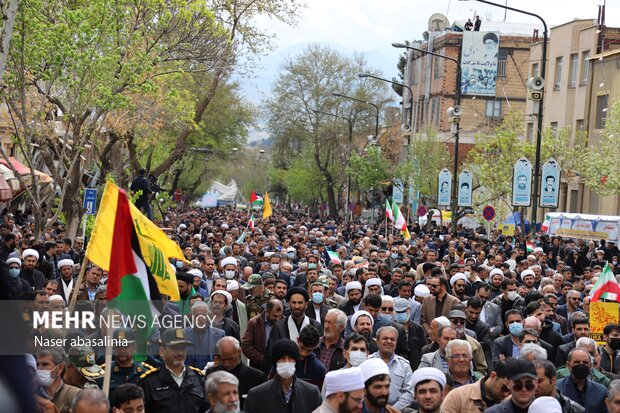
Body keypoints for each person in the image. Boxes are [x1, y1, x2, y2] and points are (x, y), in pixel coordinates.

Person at [245, 339, 322, 413]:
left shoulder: (312, 393)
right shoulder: (257, 395)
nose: (286, 362)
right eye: (282, 358)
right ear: (275, 362)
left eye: (290, 358)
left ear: (296, 361)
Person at [139, 328, 207, 413]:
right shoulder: (149, 382)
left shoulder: (198, 379)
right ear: (162, 351)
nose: (180, 353)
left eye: (183, 348)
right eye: (174, 348)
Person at [204, 337, 264, 409]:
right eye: (222, 359)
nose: (226, 363)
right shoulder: (211, 373)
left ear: (239, 352)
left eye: (230, 359)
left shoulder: (256, 377)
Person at [368, 326, 413, 410]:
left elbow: (409, 392)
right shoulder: (368, 362)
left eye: (392, 339)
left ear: (396, 342)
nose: (389, 341)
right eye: (385, 338)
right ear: (377, 342)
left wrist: (392, 409)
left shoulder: (404, 365)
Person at [441, 359, 510, 412]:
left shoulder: (514, 402)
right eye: (504, 388)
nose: (507, 394)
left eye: (512, 390)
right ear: (493, 376)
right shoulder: (458, 396)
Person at [556, 348, 608, 412]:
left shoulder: (601, 391)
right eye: (577, 362)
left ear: (591, 366)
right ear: (568, 365)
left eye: (585, 362)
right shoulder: (557, 389)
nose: (581, 365)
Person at [242, 298, 284, 373]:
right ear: (267, 311)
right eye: (274, 316)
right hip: (258, 369)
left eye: (280, 316)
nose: (277, 319)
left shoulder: (284, 322)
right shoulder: (254, 323)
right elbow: (246, 346)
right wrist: (263, 360)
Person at [35, 346, 81, 413]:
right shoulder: (30, 394)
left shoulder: (74, 395)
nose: (39, 368)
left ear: (60, 368)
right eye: (37, 364)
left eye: (45, 364)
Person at [184, 301, 225, 369]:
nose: (200, 318)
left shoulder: (219, 334)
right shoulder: (183, 334)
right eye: (197, 315)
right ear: (192, 316)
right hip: (190, 376)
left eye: (203, 315)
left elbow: (223, 359)